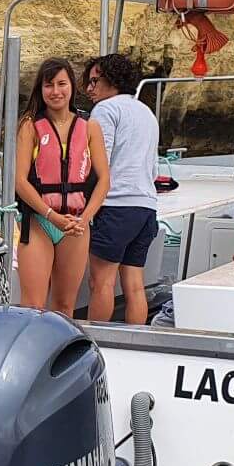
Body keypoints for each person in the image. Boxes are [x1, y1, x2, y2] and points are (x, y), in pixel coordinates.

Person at [12, 57, 103, 316]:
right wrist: (52, 215)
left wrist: (84, 219)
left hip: (76, 225)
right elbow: (20, 181)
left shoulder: (90, 127)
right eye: (48, 85)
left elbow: (104, 180)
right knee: (33, 305)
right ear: (40, 90)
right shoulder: (29, 126)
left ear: (72, 87)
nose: (55, 91)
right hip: (40, 221)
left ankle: (61, 354)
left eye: (61, 84)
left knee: (65, 306)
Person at [84, 54, 162, 324]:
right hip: (146, 208)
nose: (89, 89)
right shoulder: (146, 113)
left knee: (101, 283)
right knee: (134, 286)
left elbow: (97, 161)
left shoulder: (104, 111)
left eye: (95, 81)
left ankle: (97, 344)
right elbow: (153, 169)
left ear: (113, 80)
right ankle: (135, 343)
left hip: (116, 206)